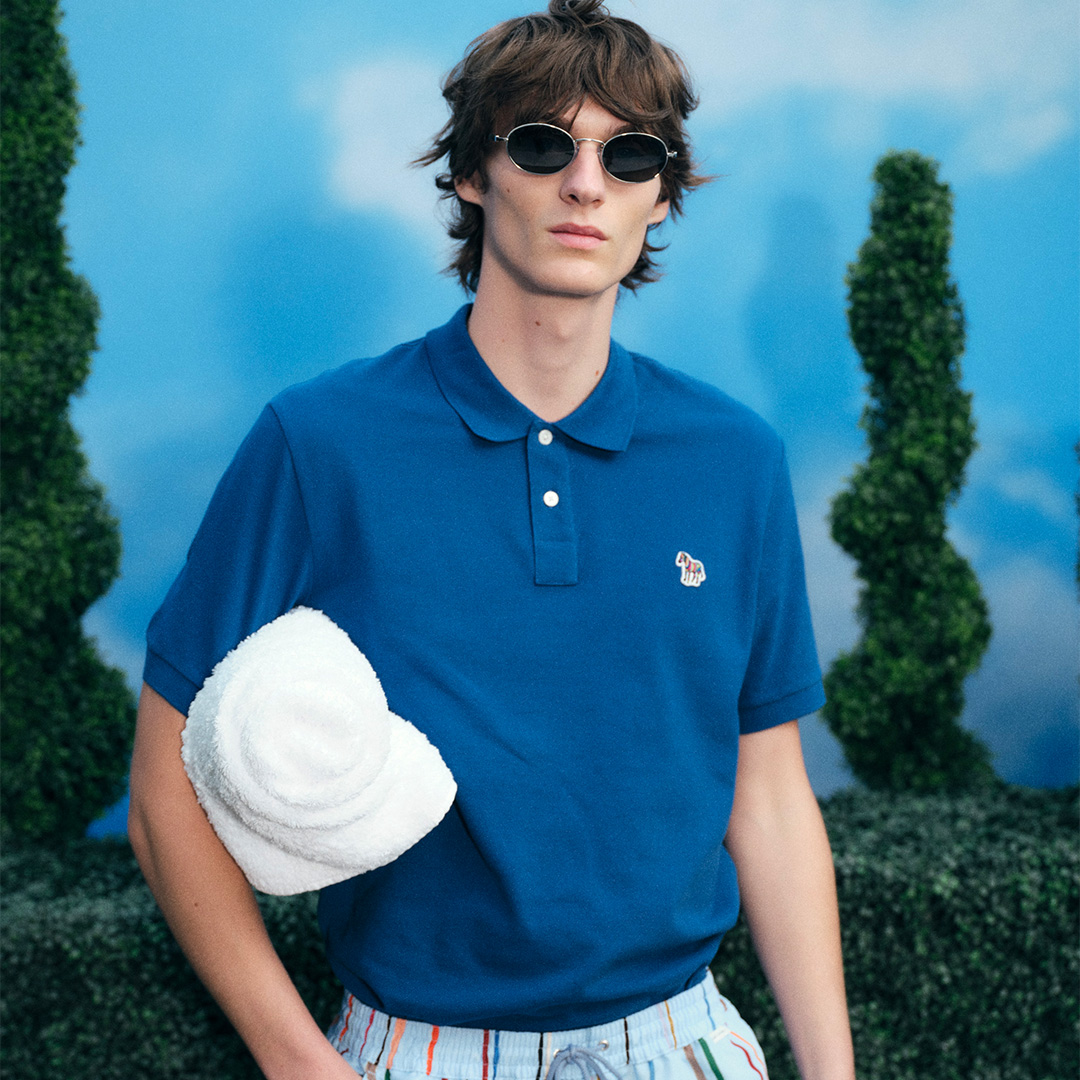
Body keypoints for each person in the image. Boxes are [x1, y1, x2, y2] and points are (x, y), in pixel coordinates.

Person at [128, 2, 856, 1078]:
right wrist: (297, 1061)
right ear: (474, 173)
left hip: (681, 1040)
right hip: (412, 1049)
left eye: (630, 154)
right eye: (544, 142)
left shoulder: (733, 458)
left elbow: (772, 795)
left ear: (660, 197)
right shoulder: (319, 442)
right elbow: (161, 782)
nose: (584, 182)